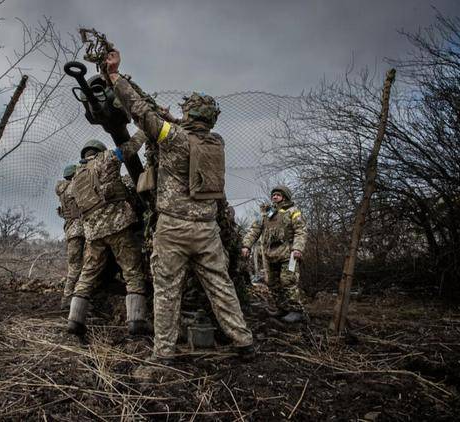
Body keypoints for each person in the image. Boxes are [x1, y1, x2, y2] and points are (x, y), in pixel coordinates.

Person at [104, 49, 254, 363]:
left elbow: (139, 111)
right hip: (207, 229)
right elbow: (181, 130)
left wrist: (115, 75)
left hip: (172, 229)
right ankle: (243, 342)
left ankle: (164, 353)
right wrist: (171, 118)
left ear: (189, 116)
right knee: (220, 285)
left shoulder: (173, 139)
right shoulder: (216, 142)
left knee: (167, 291)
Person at [66, 139, 149, 336]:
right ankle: (136, 321)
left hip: (93, 233)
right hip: (117, 226)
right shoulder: (107, 158)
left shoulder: (76, 176)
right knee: (132, 272)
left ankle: (74, 321)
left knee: (87, 274)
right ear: (99, 151)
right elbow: (130, 147)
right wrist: (146, 127)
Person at [241, 186, 308, 323]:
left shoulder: (293, 212)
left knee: (288, 281)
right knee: (272, 283)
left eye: (278, 195)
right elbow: (255, 230)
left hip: (289, 255)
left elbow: (301, 231)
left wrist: (298, 249)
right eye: (274, 195)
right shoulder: (268, 213)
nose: (275, 197)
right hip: (270, 255)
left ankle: (296, 311)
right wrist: (246, 245)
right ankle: (282, 308)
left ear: (284, 197)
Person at [55, 164, 85, 310]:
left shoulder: (62, 190)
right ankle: (70, 299)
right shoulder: (74, 187)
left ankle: (68, 298)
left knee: (74, 265)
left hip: (70, 231)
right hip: (79, 230)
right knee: (78, 267)